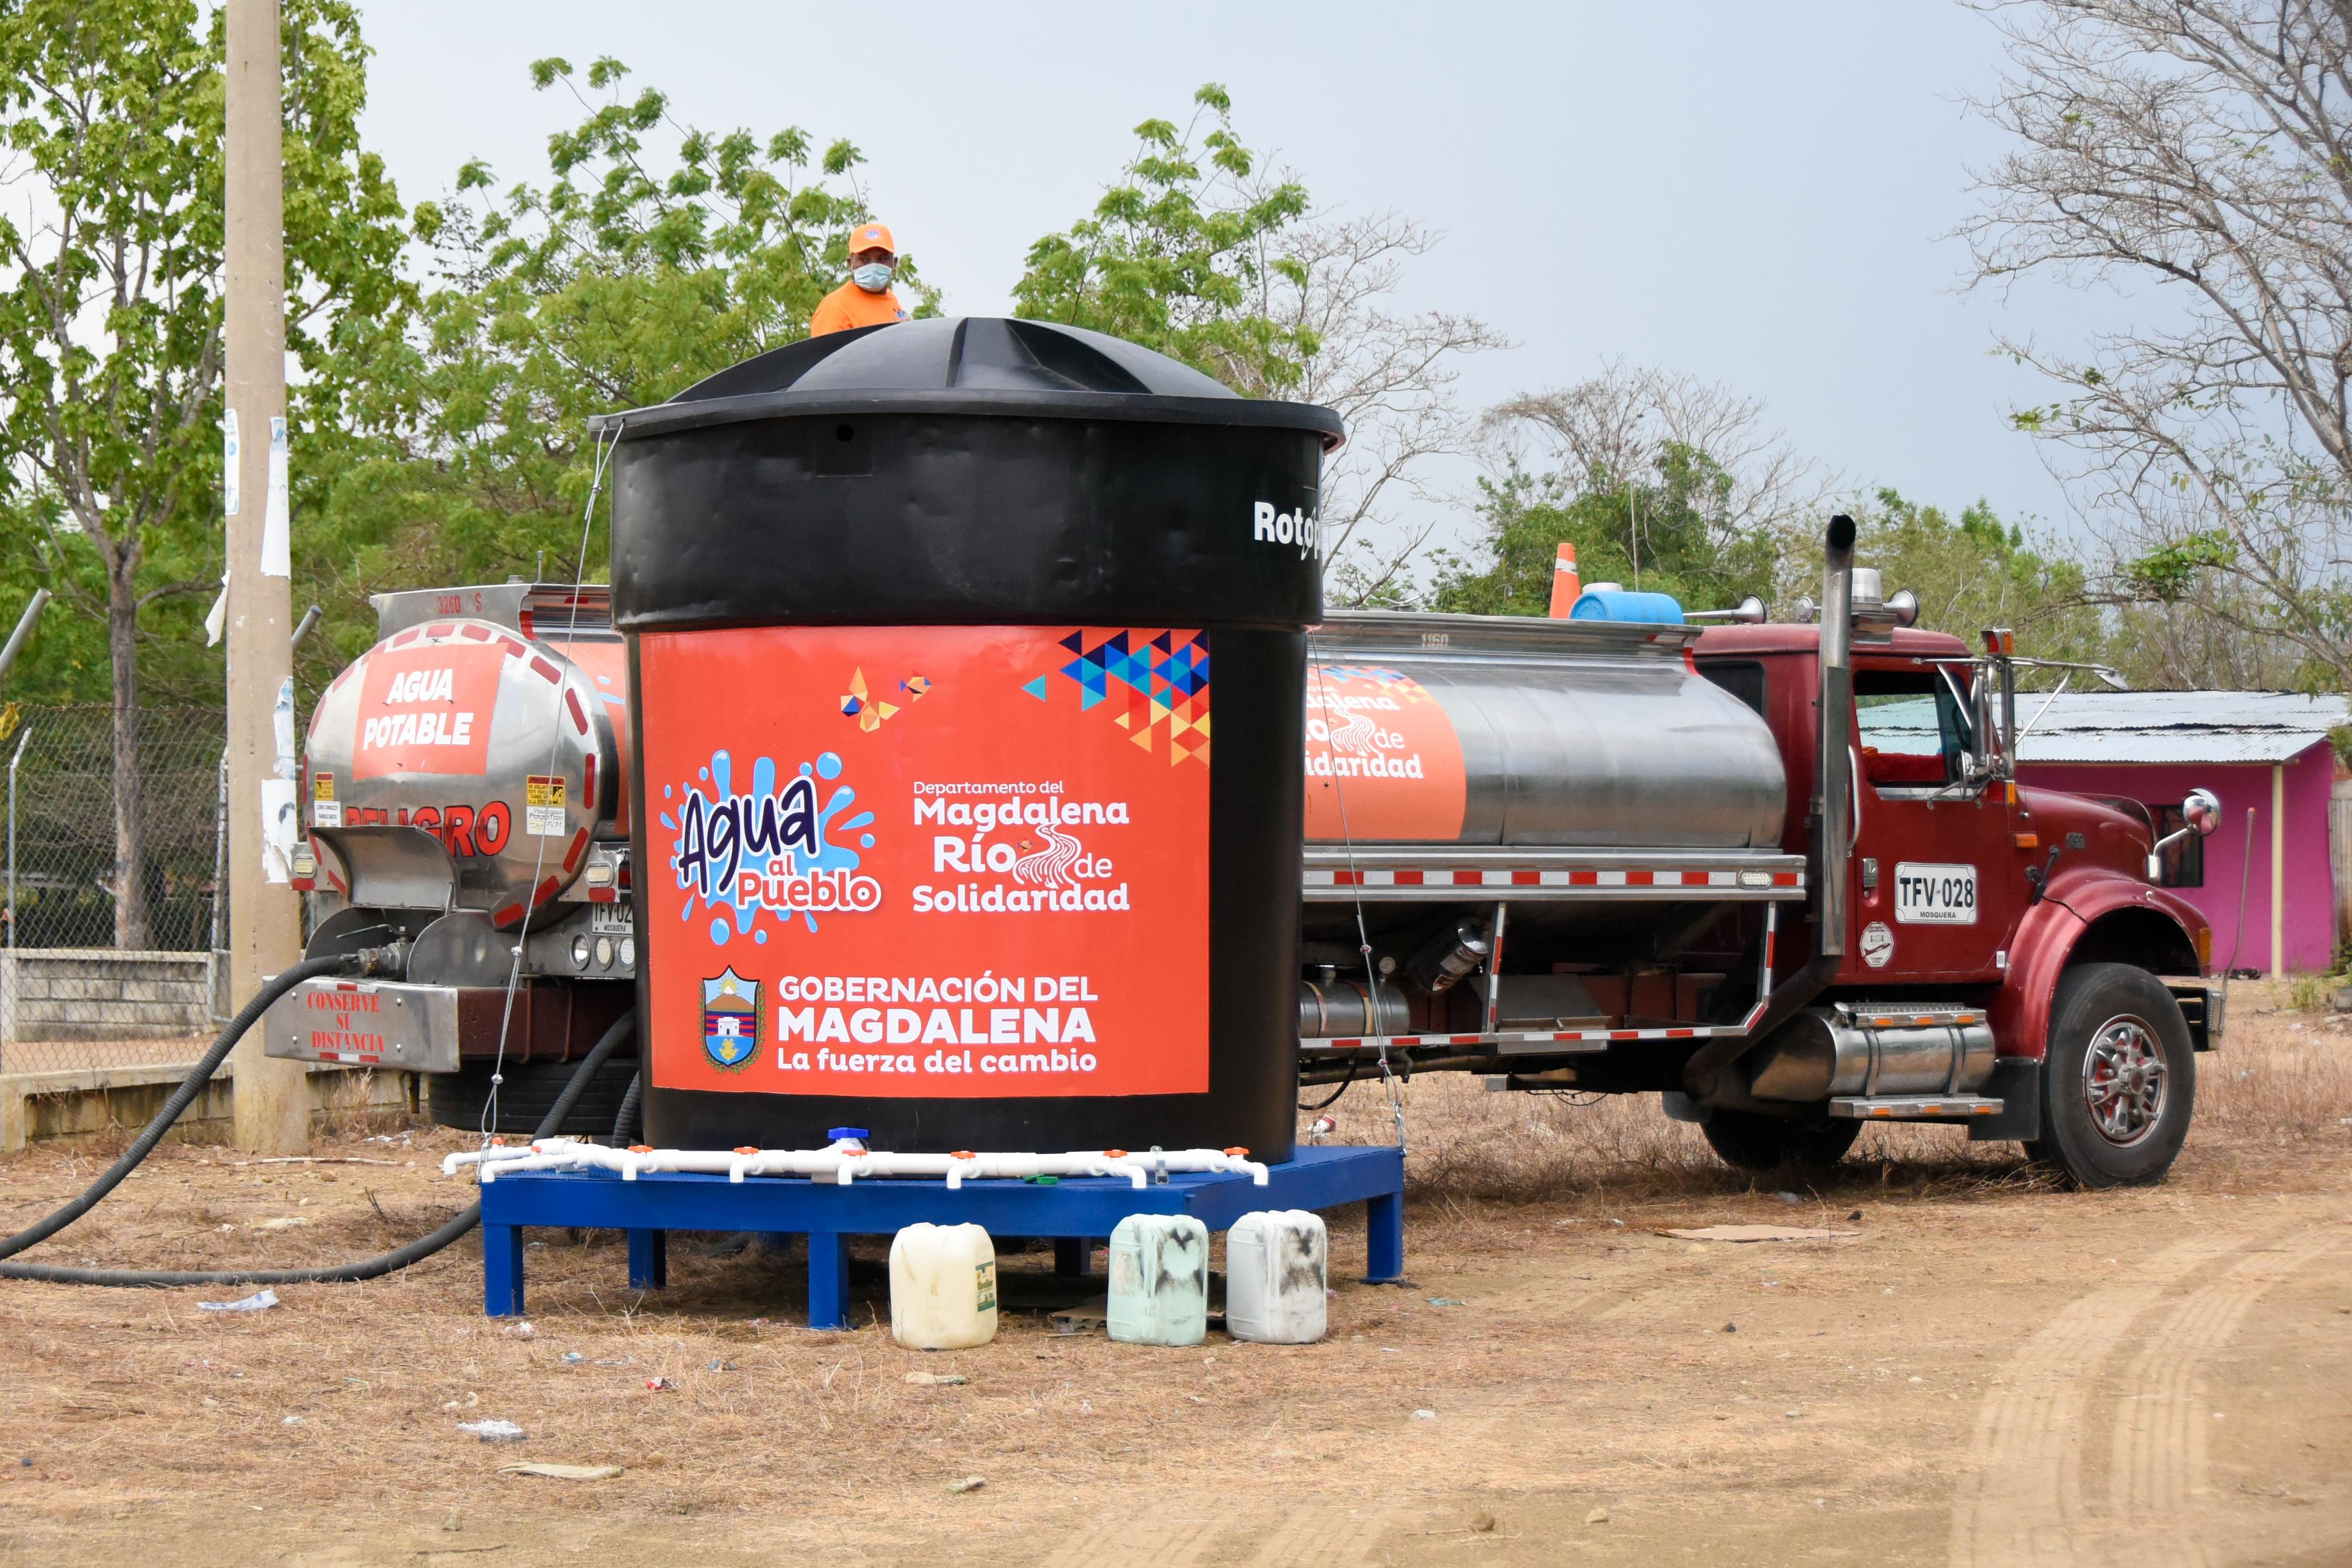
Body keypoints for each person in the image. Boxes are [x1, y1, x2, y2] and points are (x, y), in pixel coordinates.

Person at [810, 222, 910, 336]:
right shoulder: (835, 308)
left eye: (882, 259)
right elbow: (826, 353)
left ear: (894, 263)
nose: (874, 266)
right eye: (864, 260)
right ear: (850, 264)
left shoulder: (892, 300)